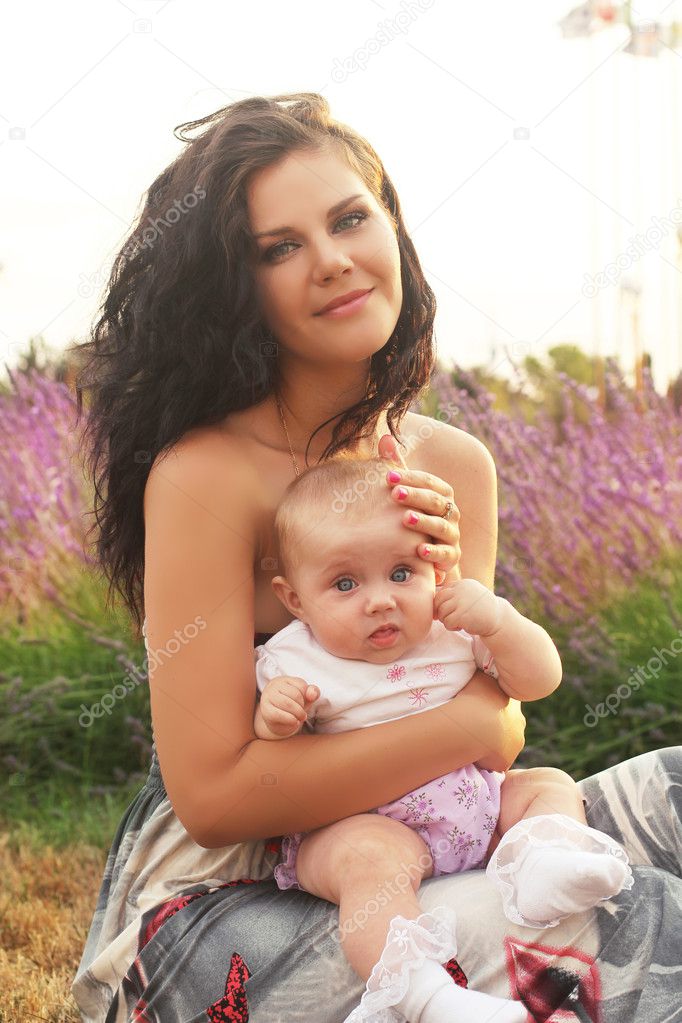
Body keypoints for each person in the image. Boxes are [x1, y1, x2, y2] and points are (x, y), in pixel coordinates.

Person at [70, 91, 682, 1022]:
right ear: (233, 289)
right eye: (279, 248)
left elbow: (496, 713)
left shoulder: (450, 465)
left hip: (447, 834)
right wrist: (477, 732)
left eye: (351, 218)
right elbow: (219, 800)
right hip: (234, 899)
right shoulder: (206, 475)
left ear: (391, 225)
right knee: (624, 920)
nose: (333, 261)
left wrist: (487, 729)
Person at [252, 455, 633, 1023]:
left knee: (546, 783)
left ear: (433, 569)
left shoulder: (451, 630)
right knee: (370, 862)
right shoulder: (293, 656)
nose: (380, 600)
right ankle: (427, 996)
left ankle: (544, 863)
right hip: (364, 824)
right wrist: (274, 716)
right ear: (295, 599)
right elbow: (273, 759)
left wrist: (500, 623)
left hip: (474, 808)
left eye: (401, 573)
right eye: (345, 583)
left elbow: (539, 679)